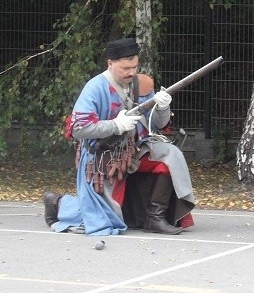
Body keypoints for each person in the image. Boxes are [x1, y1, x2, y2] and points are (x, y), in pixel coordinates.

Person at [43, 38, 196, 236]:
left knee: (170, 154)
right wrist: (115, 125)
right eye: (125, 68)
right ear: (110, 64)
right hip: (100, 159)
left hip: (135, 150)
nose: (131, 72)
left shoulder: (140, 84)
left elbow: (157, 124)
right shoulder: (94, 88)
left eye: (134, 67)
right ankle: (58, 203)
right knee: (102, 219)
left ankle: (154, 218)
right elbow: (79, 129)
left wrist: (163, 107)